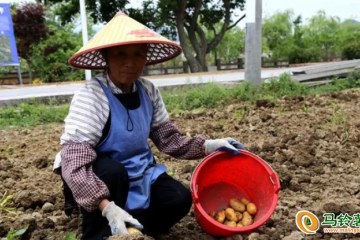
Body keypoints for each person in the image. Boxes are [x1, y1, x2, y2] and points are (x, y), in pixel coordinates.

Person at [53, 11, 245, 240]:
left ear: (146, 57)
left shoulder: (147, 90)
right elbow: (74, 158)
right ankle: (100, 231)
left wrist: (210, 145)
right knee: (115, 173)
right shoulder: (92, 95)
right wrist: (106, 206)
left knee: (179, 198)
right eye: (120, 54)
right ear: (106, 57)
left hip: (137, 171)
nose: (130, 63)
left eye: (138, 54)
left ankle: (134, 230)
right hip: (98, 173)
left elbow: (168, 139)